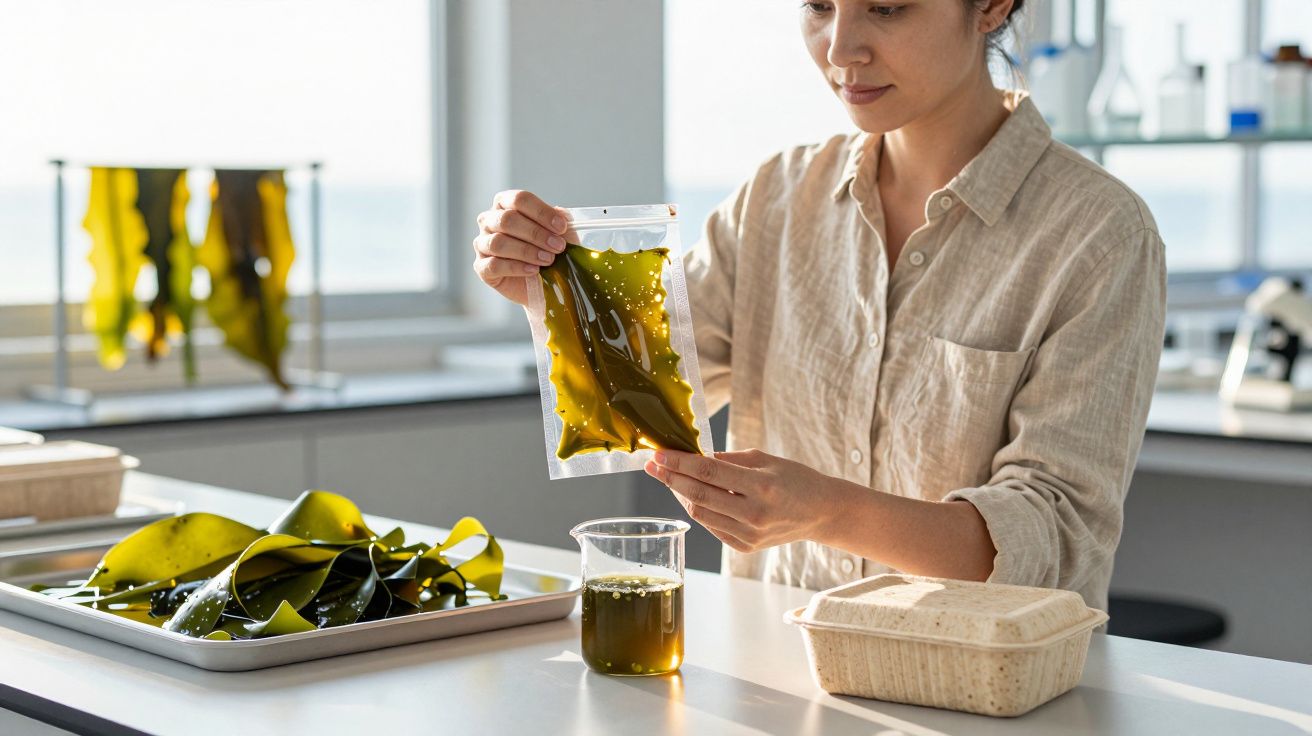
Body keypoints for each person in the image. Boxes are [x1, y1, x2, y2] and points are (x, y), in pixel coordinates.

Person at [471, 0, 1165, 612]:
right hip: (778, 677)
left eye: (887, 8)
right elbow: (646, 393)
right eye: (818, 5)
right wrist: (544, 287)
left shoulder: (1099, 235)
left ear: (990, 7)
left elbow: (1055, 537)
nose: (840, 49)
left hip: (982, 700)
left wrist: (827, 511)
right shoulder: (777, 196)